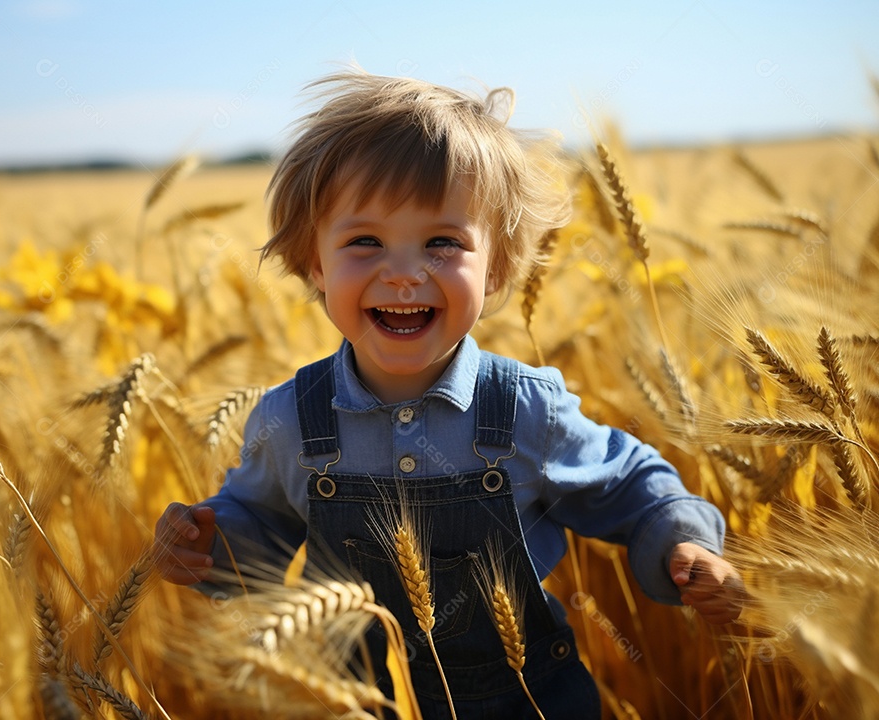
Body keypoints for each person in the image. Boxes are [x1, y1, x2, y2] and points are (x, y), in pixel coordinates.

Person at [154, 71, 743, 719]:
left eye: (443, 243)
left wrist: (683, 543)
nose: (405, 272)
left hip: (526, 704)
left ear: (493, 269)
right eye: (364, 242)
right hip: (352, 703)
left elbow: (631, 485)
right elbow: (259, 520)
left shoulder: (524, 408)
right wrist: (208, 543)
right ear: (315, 263)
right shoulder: (292, 418)